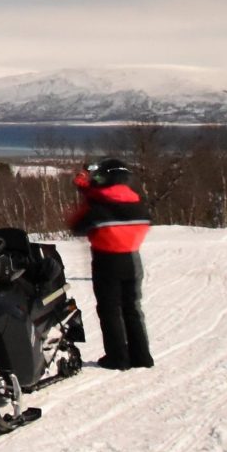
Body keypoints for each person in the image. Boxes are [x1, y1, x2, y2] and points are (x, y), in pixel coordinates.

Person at [67, 158, 154, 370]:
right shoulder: (137, 203)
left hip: (106, 259)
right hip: (132, 258)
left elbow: (76, 225)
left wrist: (89, 195)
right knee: (132, 308)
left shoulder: (98, 205)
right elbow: (146, 220)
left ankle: (118, 357)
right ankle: (142, 356)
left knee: (109, 310)